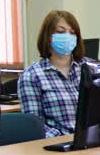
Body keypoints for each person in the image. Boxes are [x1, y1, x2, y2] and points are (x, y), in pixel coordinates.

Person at [18, 10, 88, 138]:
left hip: (94, 141)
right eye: (61, 32)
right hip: (59, 146)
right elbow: (35, 126)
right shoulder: (32, 76)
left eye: (72, 33)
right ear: (48, 36)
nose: (67, 36)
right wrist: (65, 139)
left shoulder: (90, 68)